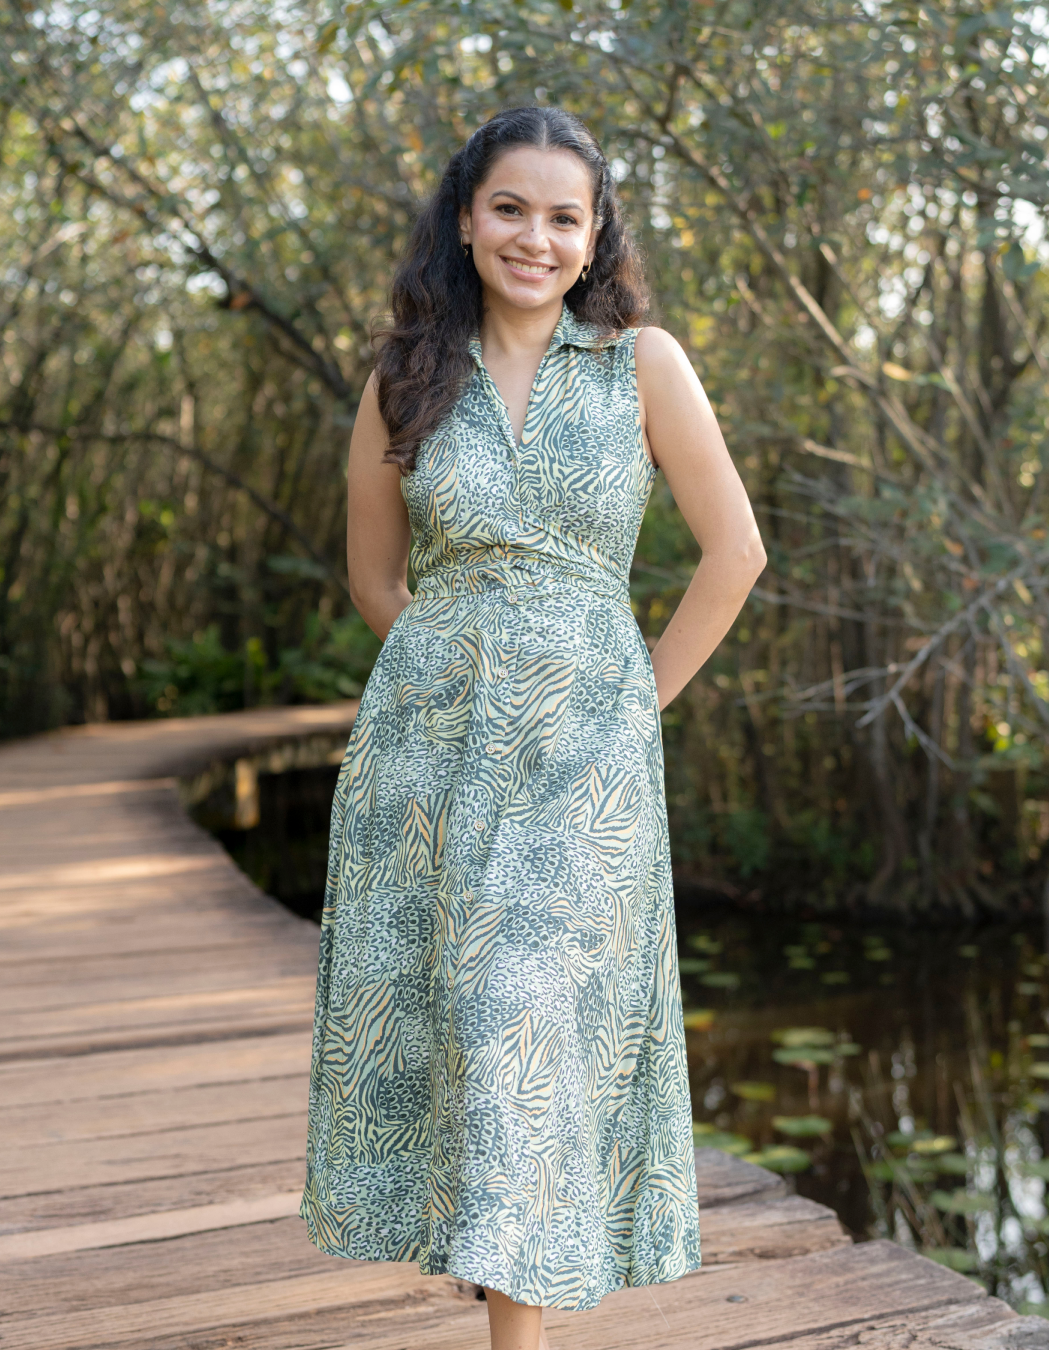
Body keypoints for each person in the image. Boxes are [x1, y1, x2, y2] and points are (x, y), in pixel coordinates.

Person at [300, 105, 766, 1350]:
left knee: (522, 1018)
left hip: (584, 763)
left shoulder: (641, 363)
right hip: (428, 757)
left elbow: (734, 554)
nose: (536, 236)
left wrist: (629, 707)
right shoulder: (404, 372)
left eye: (566, 216)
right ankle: (503, 1283)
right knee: (464, 1025)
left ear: (594, 233)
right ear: (465, 217)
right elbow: (375, 581)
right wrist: (449, 677)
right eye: (511, 207)